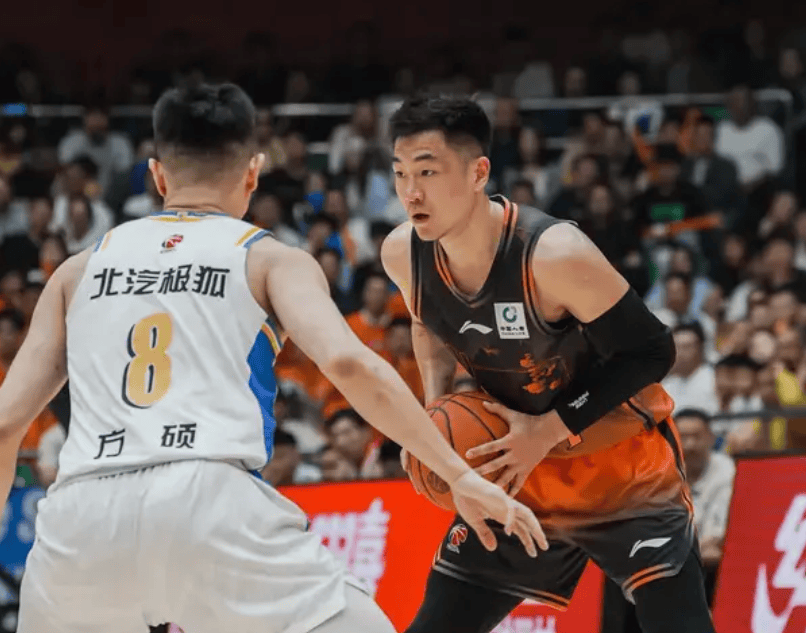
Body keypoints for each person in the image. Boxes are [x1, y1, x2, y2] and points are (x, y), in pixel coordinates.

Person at [0, 84, 546, 633]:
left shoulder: (76, 272)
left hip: (80, 521)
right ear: (253, 172)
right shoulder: (267, 258)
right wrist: (458, 475)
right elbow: (349, 364)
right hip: (207, 502)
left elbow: (5, 424)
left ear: (158, 176)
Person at [381, 95, 716, 633]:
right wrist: (433, 415)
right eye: (400, 173)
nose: (410, 193)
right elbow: (427, 323)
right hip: (519, 473)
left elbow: (653, 351)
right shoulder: (404, 253)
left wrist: (549, 429)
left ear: (478, 173)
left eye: (427, 172)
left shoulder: (553, 254)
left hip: (621, 468)